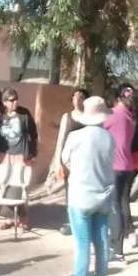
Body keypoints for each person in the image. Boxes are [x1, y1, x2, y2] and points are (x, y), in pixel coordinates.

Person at [60, 96, 116, 276]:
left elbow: (64, 159)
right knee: (101, 243)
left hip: (80, 197)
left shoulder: (75, 137)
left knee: (83, 245)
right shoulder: (110, 138)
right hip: (103, 196)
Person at [0, 87, 39, 230]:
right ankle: (6, 218)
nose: (15, 102)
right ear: (4, 102)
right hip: (5, 156)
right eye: (11, 100)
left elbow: (33, 134)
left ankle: (22, 217)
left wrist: (33, 153)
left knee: (20, 186)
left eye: (16, 99)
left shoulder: (24, 114)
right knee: (4, 186)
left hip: (21, 156)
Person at [103, 84, 137, 260]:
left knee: (114, 205)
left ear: (118, 97)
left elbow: (99, 129)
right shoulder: (131, 117)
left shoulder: (113, 114)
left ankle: (116, 248)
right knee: (123, 203)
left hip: (115, 166)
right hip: (128, 166)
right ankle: (121, 242)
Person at [49, 89, 88, 236]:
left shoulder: (89, 118)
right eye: (75, 97)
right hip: (69, 161)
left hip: (85, 161)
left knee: (83, 192)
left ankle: (82, 221)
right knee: (70, 192)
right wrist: (58, 161)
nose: (78, 99)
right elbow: (61, 140)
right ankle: (71, 222)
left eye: (81, 97)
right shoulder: (67, 117)